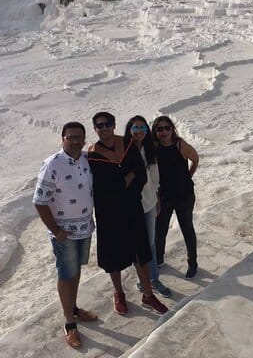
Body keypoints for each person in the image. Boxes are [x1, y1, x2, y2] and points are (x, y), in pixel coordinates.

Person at [85, 111, 168, 315]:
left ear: (114, 125)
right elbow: (99, 185)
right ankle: (119, 293)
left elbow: (140, 172)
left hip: (132, 207)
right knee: (113, 254)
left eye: (107, 124)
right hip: (108, 212)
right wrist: (125, 178)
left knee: (141, 251)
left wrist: (123, 181)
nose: (104, 128)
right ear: (95, 129)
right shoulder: (93, 155)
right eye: (100, 125)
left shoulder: (128, 145)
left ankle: (148, 294)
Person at [33, 121, 97, 349]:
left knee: (76, 270)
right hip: (64, 233)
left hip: (85, 228)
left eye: (80, 137)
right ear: (63, 139)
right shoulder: (52, 164)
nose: (76, 141)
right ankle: (70, 323)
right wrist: (57, 231)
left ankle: (74, 308)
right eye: (71, 137)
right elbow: (39, 201)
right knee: (66, 273)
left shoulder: (86, 160)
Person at [123, 116, 173, 298]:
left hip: (149, 202)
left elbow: (154, 177)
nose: (139, 131)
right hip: (131, 205)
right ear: (129, 129)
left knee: (150, 243)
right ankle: (143, 280)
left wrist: (157, 198)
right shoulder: (123, 150)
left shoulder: (149, 149)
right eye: (135, 128)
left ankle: (153, 279)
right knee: (137, 245)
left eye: (142, 128)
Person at [152, 115, 200, 278]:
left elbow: (195, 159)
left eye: (167, 128)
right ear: (155, 132)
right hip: (164, 196)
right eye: (160, 129)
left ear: (172, 129)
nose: (164, 132)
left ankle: (192, 263)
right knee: (160, 230)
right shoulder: (154, 148)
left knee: (187, 228)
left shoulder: (180, 145)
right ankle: (159, 259)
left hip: (184, 195)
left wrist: (187, 177)